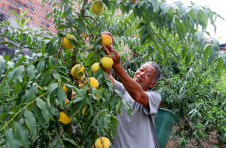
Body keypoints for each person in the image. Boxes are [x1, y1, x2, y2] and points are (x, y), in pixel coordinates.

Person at [101, 32, 162, 148]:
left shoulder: (154, 97)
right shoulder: (122, 90)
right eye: (141, 69)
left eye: (148, 74)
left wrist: (117, 66)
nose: (142, 74)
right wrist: (107, 52)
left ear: (153, 83)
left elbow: (138, 95)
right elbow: (107, 77)